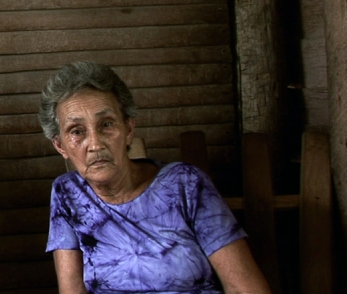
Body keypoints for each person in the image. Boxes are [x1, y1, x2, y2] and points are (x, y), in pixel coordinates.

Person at [38, 62, 270, 293]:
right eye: (77, 131)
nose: (95, 144)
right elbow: (72, 290)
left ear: (129, 129)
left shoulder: (186, 185)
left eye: (106, 124)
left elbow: (245, 288)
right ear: (60, 146)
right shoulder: (67, 193)